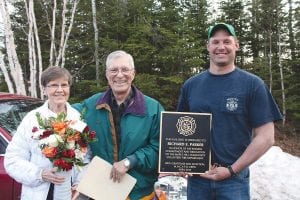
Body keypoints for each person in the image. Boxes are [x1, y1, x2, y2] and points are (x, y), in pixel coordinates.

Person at [176, 23, 283, 200]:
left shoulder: (253, 85)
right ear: (208, 46)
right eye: (215, 42)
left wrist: (232, 170)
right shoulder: (191, 86)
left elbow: (266, 137)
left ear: (236, 45)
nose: (221, 47)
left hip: (234, 181)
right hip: (197, 181)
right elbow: (179, 131)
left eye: (227, 41)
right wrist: (180, 161)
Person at [73, 50, 164, 200]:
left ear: (133, 73)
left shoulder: (153, 109)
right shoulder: (91, 106)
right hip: (101, 190)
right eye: (114, 70)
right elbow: (64, 113)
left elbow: (159, 148)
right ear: (107, 75)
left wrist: (130, 161)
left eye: (125, 69)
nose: (119, 75)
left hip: (139, 191)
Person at [4, 66, 89, 200]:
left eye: (64, 85)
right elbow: (12, 160)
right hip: (39, 194)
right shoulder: (32, 119)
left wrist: (79, 183)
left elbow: (84, 157)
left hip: (68, 193)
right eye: (54, 85)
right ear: (44, 89)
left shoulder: (77, 118)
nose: (60, 90)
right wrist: (40, 174)